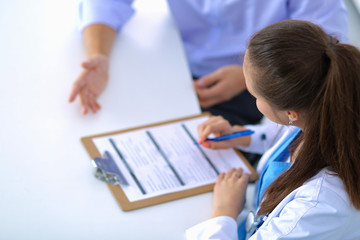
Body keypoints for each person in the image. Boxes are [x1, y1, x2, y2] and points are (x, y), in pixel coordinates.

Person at [186, 20, 360, 239]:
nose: (253, 98)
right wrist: (242, 136)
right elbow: (282, 134)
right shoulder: (324, 110)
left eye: (255, 96)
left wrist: (224, 213)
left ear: (291, 112)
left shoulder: (316, 207)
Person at [68, 0, 348, 126]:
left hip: (269, 83)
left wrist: (246, 75)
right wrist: (100, 54)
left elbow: (324, 45)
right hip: (174, 61)